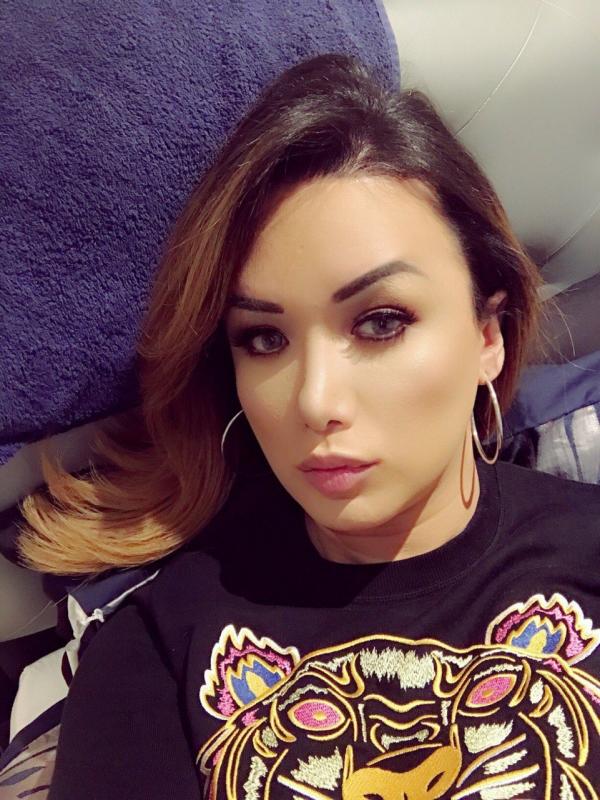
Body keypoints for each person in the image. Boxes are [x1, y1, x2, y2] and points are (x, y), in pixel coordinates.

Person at [15, 53, 600, 798]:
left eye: (381, 322)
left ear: (489, 335)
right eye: (264, 338)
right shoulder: (158, 647)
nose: (315, 400)